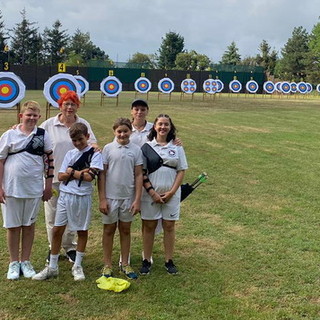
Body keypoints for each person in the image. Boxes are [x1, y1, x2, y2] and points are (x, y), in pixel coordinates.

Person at [33, 123, 103, 281]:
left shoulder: (95, 154)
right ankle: (52, 267)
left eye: (80, 139)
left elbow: (90, 177)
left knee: (81, 230)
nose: (78, 143)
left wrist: (73, 172)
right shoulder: (70, 153)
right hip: (65, 195)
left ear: (87, 137)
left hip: (82, 196)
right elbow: (62, 176)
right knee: (57, 230)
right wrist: (80, 172)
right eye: (74, 140)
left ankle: (77, 265)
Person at [40, 90, 98, 263]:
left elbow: (92, 143)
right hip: (55, 177)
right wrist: (16, 127)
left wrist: (97, 148)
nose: (70, 107)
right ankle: (53, 248)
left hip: (76, 180)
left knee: (73, 215)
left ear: (77, 106)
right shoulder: (48, 125)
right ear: (60, 105)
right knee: (53, 215)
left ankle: (70, 247)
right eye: (66, 103)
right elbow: (34, 138)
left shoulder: (83, 123)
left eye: (73, 104)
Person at [0, 101, 54, 280]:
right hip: (11, 188)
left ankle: (26, 261)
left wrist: (48, 185)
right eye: (28, 114)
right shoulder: (9, 134)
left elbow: (49, 161)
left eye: (35, 115)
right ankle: (13, 263)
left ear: (39, 117)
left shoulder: (42, 135)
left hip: (33, 188)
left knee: (29, 226)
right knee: (13, 227)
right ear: (20, 116)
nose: (31, 118)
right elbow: (1, 161)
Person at [140, 114, 188, 275]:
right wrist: (152, 193)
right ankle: (146, 259)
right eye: (160, 124)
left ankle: (169, 260)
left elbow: (181, 170)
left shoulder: (177, 147)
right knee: (149, 226)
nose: (163, 127)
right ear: (154, 126)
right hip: (150, 195)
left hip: (171, 195)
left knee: (169, 226)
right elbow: (142, 172)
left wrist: (172, 192)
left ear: (170, 127)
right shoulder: (146, 147)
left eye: (166, 124)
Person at [98, 118, 143, 280]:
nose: (122, 134)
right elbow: (102, 175)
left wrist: (137, 199)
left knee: (125, 230)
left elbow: (139, 175)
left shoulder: (136, 150)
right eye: (119, 131)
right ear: (114, 132)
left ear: (130, 131)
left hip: (128, 198)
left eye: (125, 131)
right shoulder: (108, 149)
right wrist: (102, 198)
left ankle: (125, 262)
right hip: (110, 198)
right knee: (109, 230)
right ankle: (107, 264)